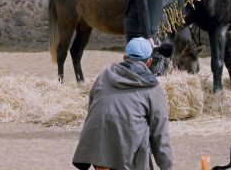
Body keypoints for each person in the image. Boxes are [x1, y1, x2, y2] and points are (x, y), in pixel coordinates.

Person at [72, 37, 174, 170]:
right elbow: (160, 134)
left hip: (98, 153)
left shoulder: (104, 75)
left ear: (125, 58)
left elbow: (92, 109)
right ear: (149, 62)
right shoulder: (153, 89)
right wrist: (167, 167)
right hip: (128, 157)